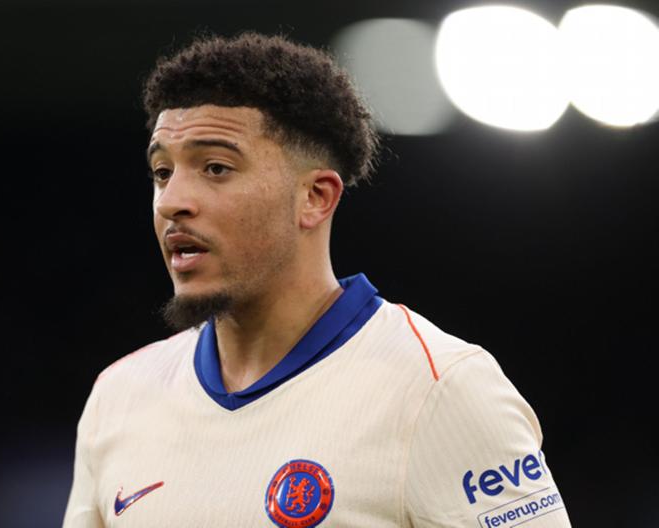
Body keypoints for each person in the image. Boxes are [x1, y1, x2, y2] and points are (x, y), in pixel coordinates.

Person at [62, 32, 571, 528]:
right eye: (162, 172)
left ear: (315, 198)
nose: (172, 201)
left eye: (215, 168)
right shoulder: (119, 398)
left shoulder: (439, 389)